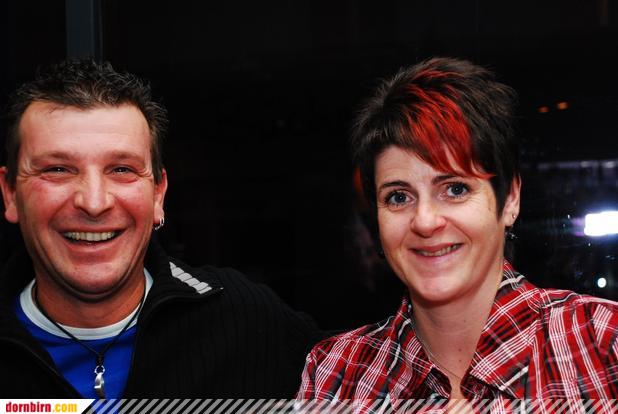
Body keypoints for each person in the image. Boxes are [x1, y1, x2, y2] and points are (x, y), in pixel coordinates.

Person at [297, 58, 618, 410]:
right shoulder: (338, 372)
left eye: (455, 189)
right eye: (399, 197)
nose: (425, 221)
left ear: (510, 198)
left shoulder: (603, 344)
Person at [0, 60, 321, 398]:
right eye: (58, 169)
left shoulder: (246, 320)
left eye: (122, 169)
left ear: (158, 194)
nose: (94, 203)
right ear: (10, 194)